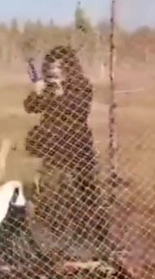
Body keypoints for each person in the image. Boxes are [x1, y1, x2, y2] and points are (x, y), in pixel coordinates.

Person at [23, 45, 110, 251]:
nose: (54, 72)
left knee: (86, 196)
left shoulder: (82, 86)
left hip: (78, 150)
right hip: (54, 151)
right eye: (51, 68)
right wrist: (38, 92)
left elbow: (77, 109)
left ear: (69, 68)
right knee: (52, 196)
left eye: (59, 68)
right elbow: (30, 107)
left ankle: (95, 240)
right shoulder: (48, 89)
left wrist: (59, 93)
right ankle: (56, 241)